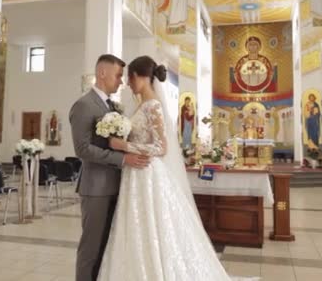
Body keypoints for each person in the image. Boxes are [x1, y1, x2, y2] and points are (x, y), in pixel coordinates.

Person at [98, 56, 257, 280]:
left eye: (130, 78)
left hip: (147, 173)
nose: (128, 83)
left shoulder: (153, 105)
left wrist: (123, 145)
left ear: (138, 77)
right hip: (136, 173)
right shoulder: (141, 105)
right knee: (136, 226)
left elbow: (161, 147)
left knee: (151, 226)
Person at [69, 55, 150, 281]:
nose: (121, 81)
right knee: (91, 247)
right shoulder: (84, 105)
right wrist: (123, 160)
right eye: (118, 75)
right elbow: (83, 149)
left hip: (117, 185)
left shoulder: (113, 106)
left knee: (109, 246)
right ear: (102, 73)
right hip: (95, 187)